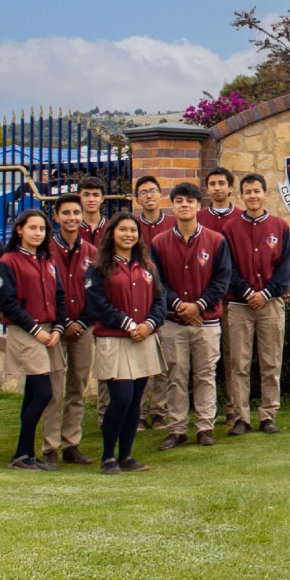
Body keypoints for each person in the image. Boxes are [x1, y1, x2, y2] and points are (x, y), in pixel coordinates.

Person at [151, 182, 233, 449]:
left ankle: (205, 427)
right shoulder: (159, 242)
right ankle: (176, 429)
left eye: (190, 201)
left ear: (199, 205)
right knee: (175, 375)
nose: (184, 205)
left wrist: (198, 305)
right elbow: (157, 281)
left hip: (206, 321)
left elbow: (222, 280)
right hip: (173, 322)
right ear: (172, 205)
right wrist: (178, 305)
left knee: (205, 375)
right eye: (179, 201)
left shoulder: (216, 240)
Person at [84, 212, 168, 474]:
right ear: (112, 233)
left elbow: (159, 302)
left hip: (143, 338)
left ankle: (127, 456)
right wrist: (128, 324)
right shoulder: (98, 268)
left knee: (136, 401)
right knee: (121, 397)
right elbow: (97, 304)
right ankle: (108, 456)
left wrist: (148, 325)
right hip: (114, 339)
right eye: (123, 230)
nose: (129, 235)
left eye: (133, 230)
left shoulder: (147, 267)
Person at [0, 209, 68, 471]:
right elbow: (8, 304)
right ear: (19, 230)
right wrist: (36, 330)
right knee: (44, 392)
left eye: (42, 229)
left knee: (35, 393)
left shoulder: (48, 260)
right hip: (27, 331)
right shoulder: (8, 262)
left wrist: (59, 327)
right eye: (32, 228)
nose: (38, 233)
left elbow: (60, 296)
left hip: (50, 332)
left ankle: (24, 453)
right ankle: (21, 451)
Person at [221, 173, 290, 436]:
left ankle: (268, 414)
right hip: (239, 305)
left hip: (271, 305)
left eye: (256, 191)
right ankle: (241, 418)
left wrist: (266, 293)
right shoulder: (230, 228)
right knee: (238, 363)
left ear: (265, 194)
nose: (252, 196)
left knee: (270, 362)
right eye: (247, 192)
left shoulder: (280, 227)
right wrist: (248, 291)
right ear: (241, 196)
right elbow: (228, 268)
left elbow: (284, 270)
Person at [46, 193, 101, 463]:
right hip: (54, 330)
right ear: (56, 217)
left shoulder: (92, 253)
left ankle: (71, 444)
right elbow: (43, 292)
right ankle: (50, 447)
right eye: (66, 213)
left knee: (77, 388)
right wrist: (63, 322)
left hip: (83, 328)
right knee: (53, 389)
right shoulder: (44, 250)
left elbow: (98, 293)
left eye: (76, 213)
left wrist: (82, 322)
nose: (72, 218)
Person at [129, 175, 176, 430]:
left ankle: (159, 412)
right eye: (144, 192)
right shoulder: (130, 225)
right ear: (137, 199)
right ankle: (138, 414)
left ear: (161, 195)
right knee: (139, 363)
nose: (149, 196)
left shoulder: (172, 224)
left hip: (165, 300)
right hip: (137, 300)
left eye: (153, 191)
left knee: (162, 363)